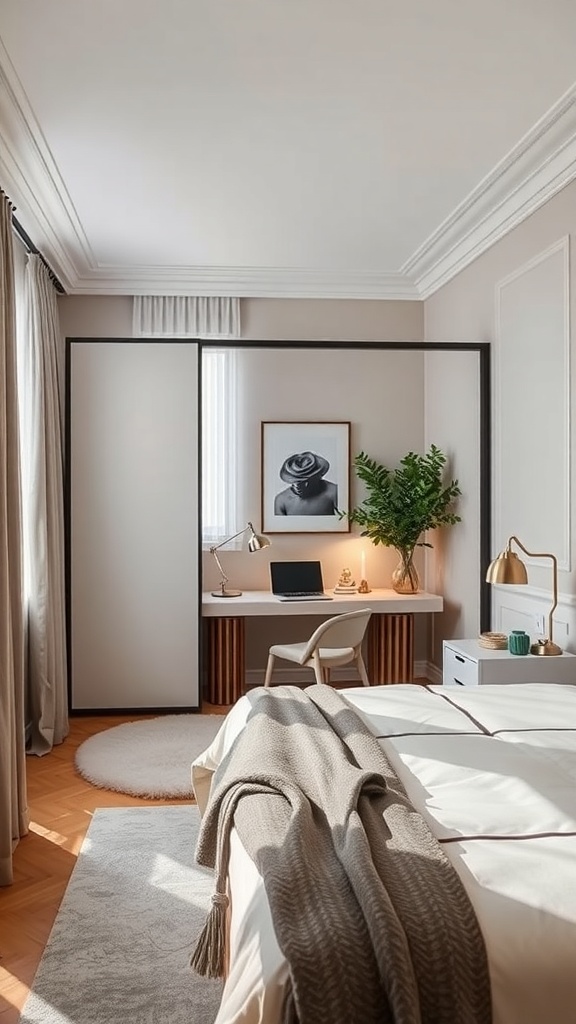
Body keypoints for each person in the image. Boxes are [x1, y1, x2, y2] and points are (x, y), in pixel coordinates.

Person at [274, 451, 338, 516]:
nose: (298, 485)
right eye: (296, 480)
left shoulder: (334, 492)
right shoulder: (281, 500)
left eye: (306, 481)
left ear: (317, 477)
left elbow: (345, 521)